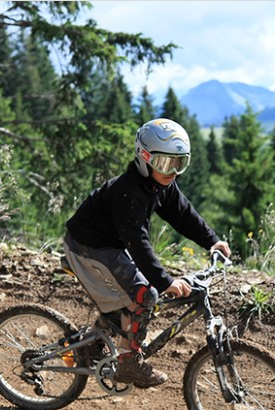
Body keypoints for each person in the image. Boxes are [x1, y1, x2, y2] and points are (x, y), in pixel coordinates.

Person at [63, 118, 231, 388]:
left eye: (180, 163)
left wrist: (211, 241)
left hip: (110, 246)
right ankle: (129, 363)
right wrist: (165, 282)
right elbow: (137, 242)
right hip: (88, 247)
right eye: (166, 163)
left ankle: (93, 345)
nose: (173, 172)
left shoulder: (159, 184)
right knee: (144, 295)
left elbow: (182, 214)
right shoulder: (130, 193)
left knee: (130, 297)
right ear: (144, 158)